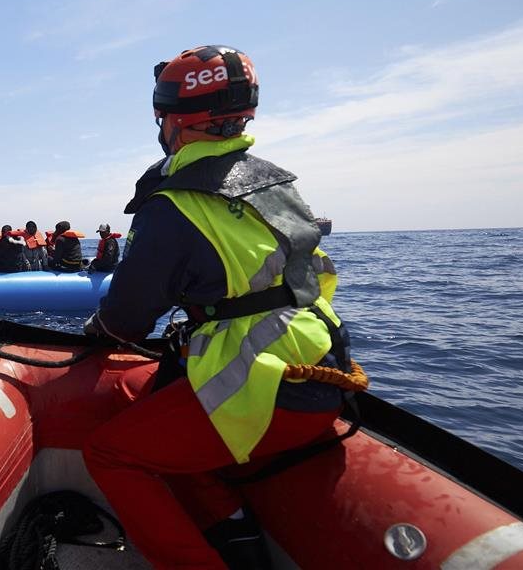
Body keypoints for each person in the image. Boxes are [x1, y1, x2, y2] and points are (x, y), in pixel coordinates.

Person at [81, 45, 352, 569]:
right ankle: (234, 531)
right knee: (150, 405)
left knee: (110, 454)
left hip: (268, 390)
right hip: (323, 366)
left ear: (172, 122)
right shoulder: (279, 186)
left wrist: (100, 326)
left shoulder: (173, 205)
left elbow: (126, 320)